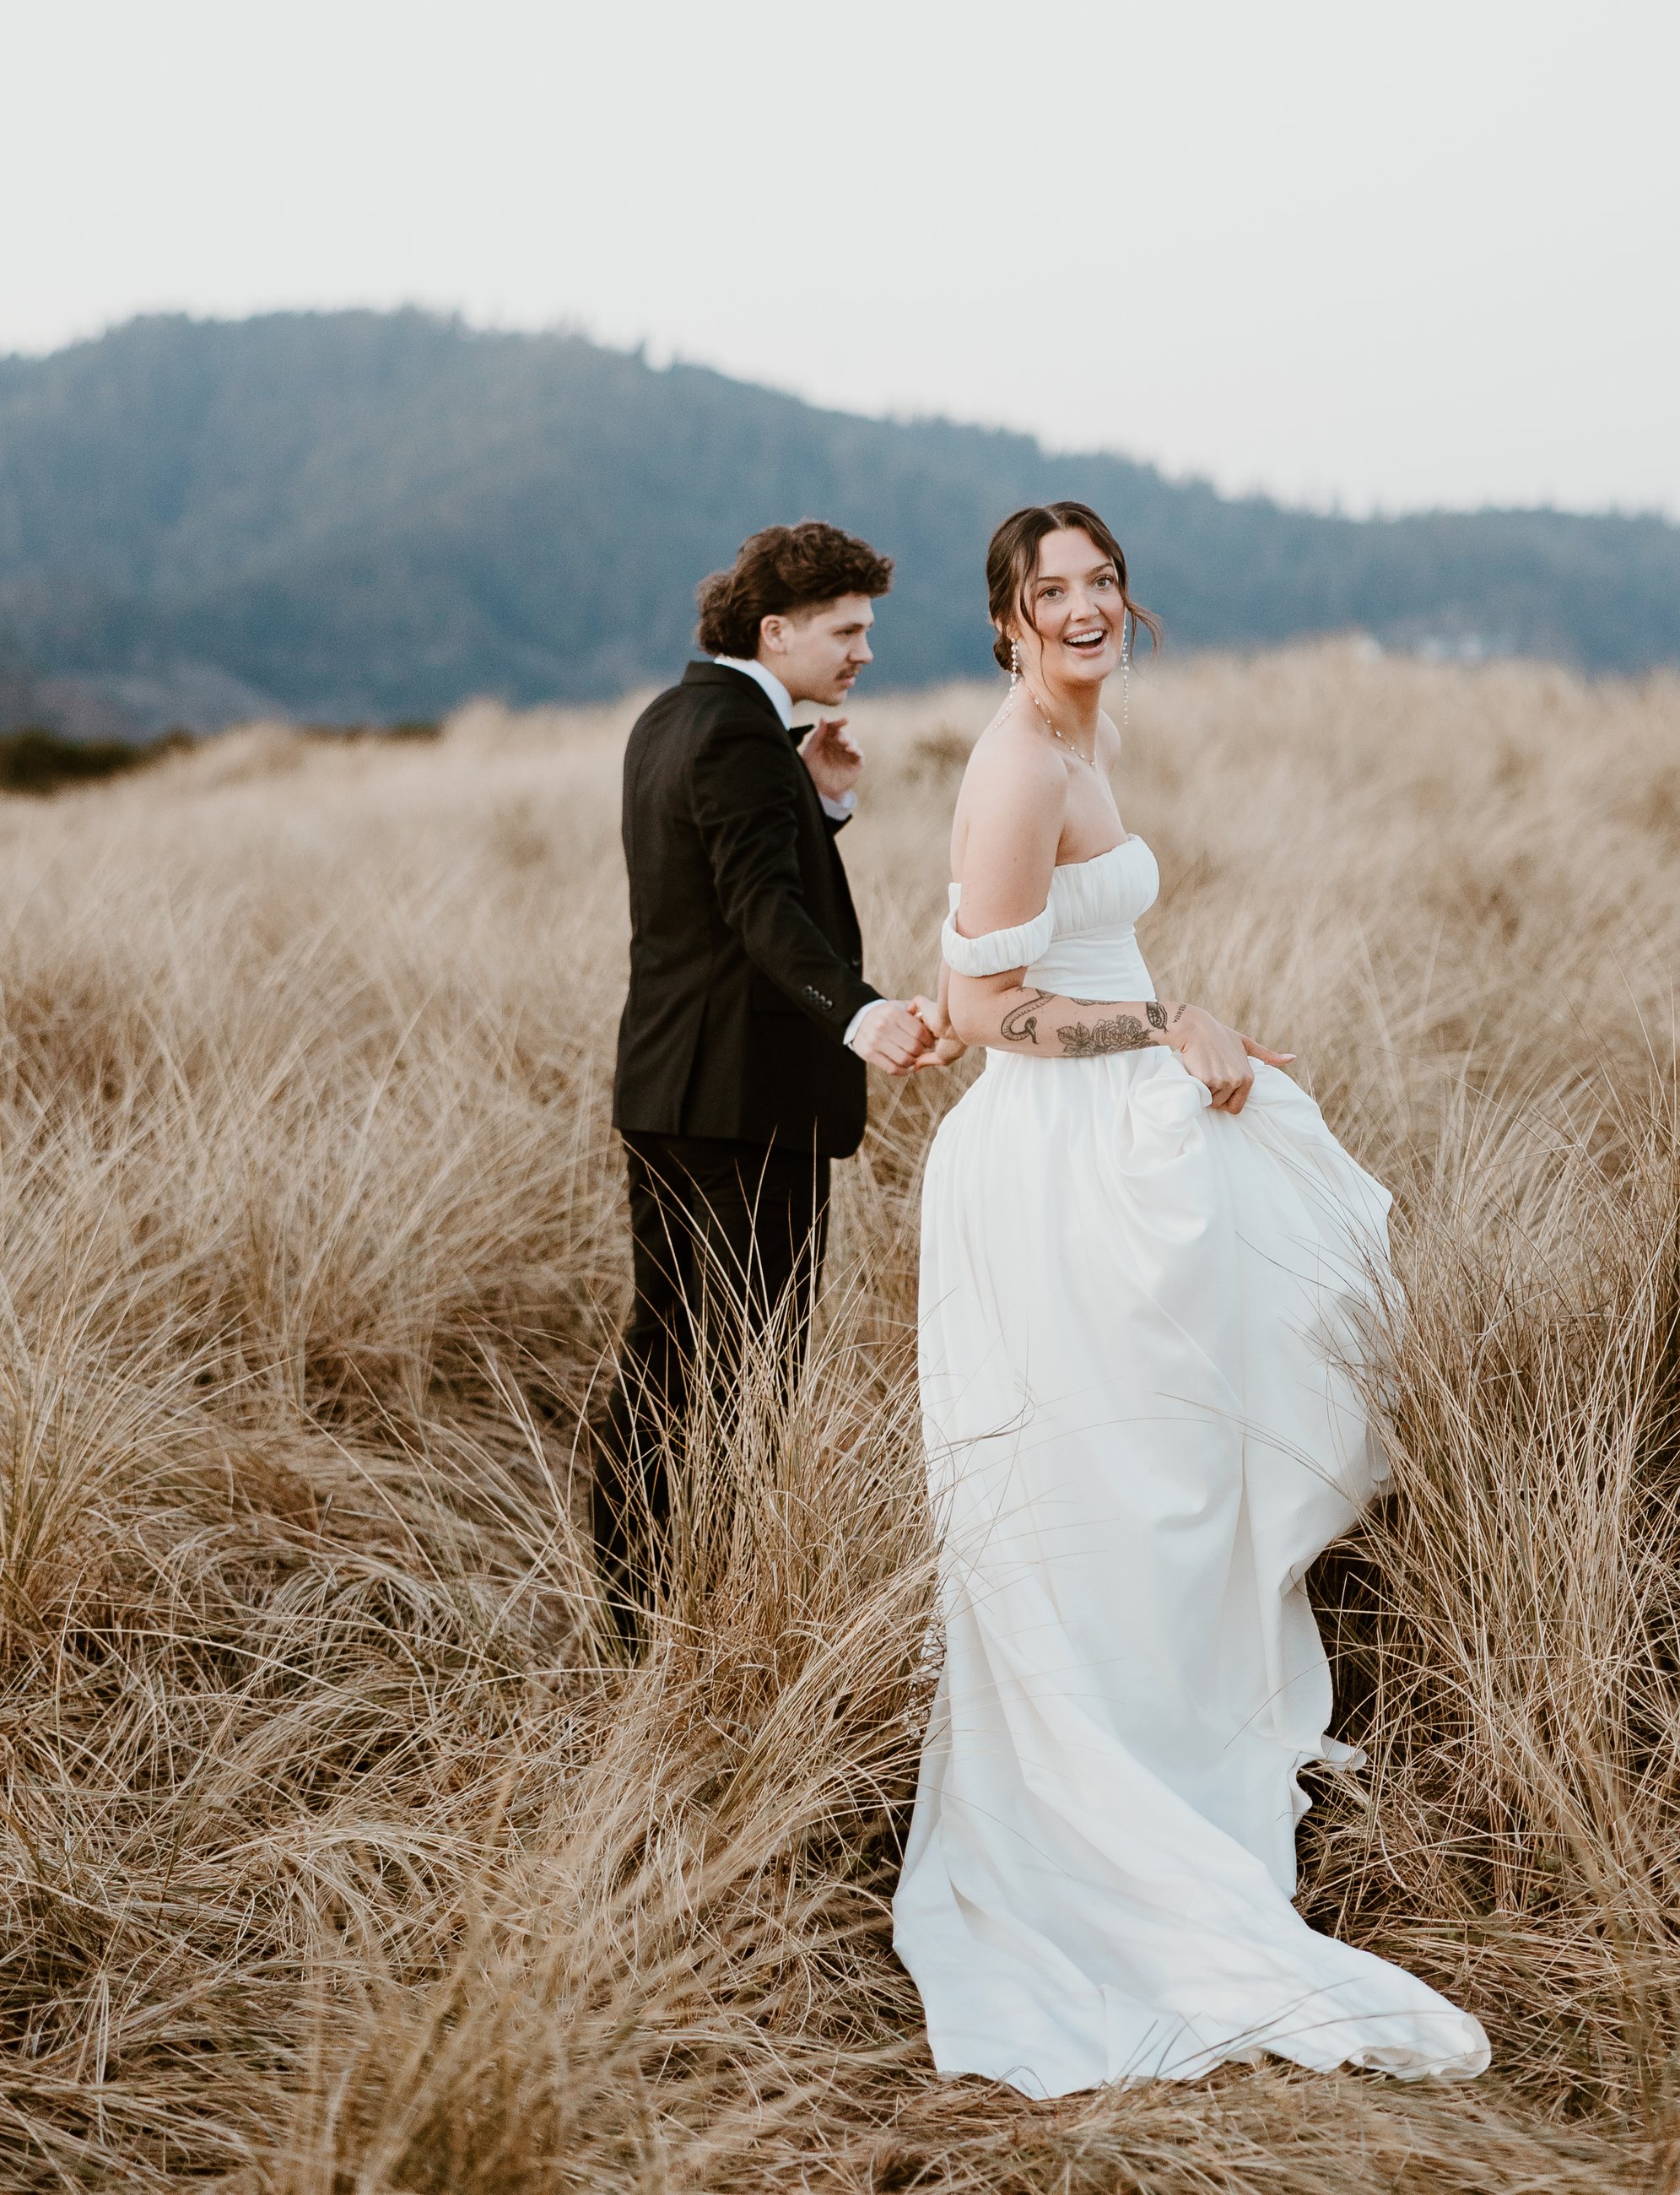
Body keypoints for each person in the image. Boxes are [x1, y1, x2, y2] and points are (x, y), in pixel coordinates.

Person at [890, 501, 1490, 2095]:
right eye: (1050, 592)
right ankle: (1100, 1820)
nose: (1084, 608)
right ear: (1007, 622)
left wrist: (1184, 1026)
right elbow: (984, 1008)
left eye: (1101, 583)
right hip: (1043, 1175)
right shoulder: (1019, 761)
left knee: (1166, 1473)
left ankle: (1172, 1750)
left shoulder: (1084, 739)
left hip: (1110, 1149)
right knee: (1105, 1494)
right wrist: (1168, 1024)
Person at [593, 519, 937, 1628]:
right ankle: (665, 1614)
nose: (864, 650)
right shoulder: (740, 736)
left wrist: (822, 806)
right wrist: (862, 1012)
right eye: (846, 629)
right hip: (744, 1105)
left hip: (672, 1092)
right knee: (735, 1372)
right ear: (775, 628)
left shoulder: (677, 716)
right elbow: (759, 913)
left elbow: (719, 881)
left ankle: (643, 1610)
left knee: (672, 1354)